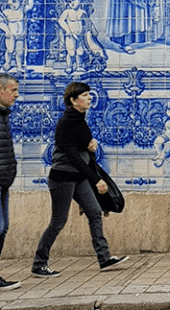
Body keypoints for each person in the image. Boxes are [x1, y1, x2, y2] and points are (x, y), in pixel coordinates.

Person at [31, 82, 128, 277]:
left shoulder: (80, 120)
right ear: (73, 101)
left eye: (88, 94)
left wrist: (90, 147)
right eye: (84, 95)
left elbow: (80, 149)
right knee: (58, 221)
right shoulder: (66, 121)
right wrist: (96, 179)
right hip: (63, 178)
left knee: (94, 212)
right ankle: (39, 264)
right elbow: (72, 156)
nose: (89, 97)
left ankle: (104, 258)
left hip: (78, 178)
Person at [0, 74, 19, 289]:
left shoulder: (4, 115)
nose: (16, 94)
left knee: (3, 228)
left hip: (4, 181)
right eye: (13, 90)